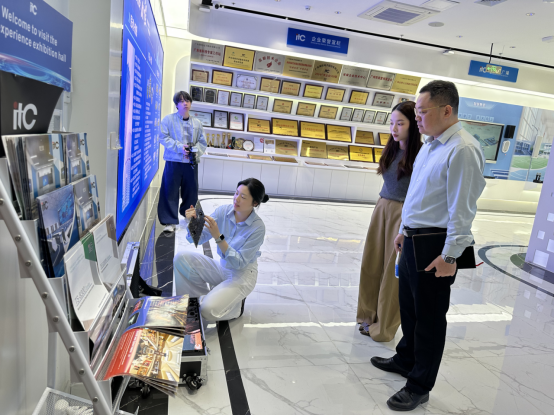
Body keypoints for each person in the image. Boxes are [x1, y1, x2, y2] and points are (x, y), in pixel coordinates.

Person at [370, 80, 486, 412]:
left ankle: (419, 385)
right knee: (409, 307)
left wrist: (450, 256)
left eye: (422, 112)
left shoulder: (462, 149)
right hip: (413, 238)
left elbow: (462, 209)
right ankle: (406, 358)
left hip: (437, 244)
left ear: (447, 110)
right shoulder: (432, 145)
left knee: (430, 318)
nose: (416, 118)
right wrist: (403, 231)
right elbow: (418, 195)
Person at [357, 101, 422, 342]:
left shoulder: (421, 154)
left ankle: (384, 327)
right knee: (371, 263)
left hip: (403, 212)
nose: (394, 129)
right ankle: (367, 315)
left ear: (413, 124)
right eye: (392, 123)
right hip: (382, 207)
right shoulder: (392, 149)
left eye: (400, 123)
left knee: (392, 272)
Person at [174, 178, 269, 322]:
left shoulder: (258, 228)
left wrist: (218, 237)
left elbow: (239, 263)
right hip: (223, 267)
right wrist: (193, 221)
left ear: (255, 203)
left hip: (242, 276)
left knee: (208, 311)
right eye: (236, 193)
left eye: (243, 197)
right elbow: (199, 239)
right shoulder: (223, 211)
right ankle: (194, 304)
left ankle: (236, 309)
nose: (236, 199)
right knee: (181, 259)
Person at [158, 91, 207, 234]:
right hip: (173, 161)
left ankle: (189, 216)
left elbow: (202, 142)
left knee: (191, 191)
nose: (185, 103)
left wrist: (194, 151)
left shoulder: (197, 123)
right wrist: (179, 147)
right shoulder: (168, 120)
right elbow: (163, 137)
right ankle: (169, 221)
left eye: (187, 101)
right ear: (176, 105)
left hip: (191, 162)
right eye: (181, 101)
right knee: (169, 190)